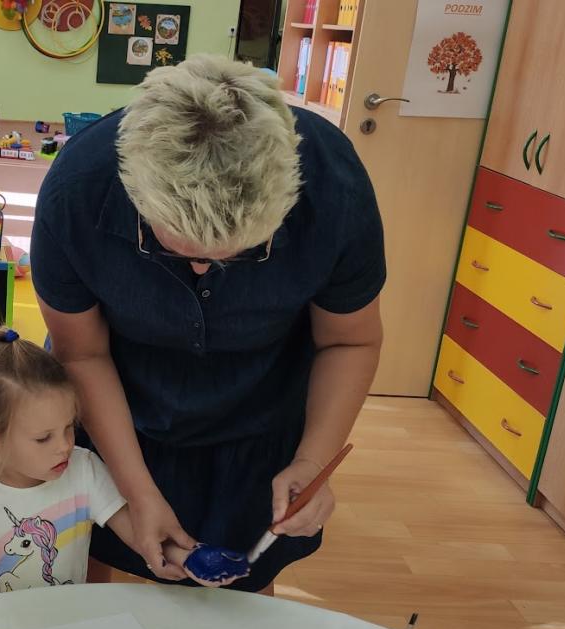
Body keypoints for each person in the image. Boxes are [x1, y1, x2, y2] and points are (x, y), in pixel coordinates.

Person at [30, 55, 385, 594]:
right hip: (118, 405)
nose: (201, 271)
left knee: (243, 593)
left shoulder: (335, 189)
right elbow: (82, 353)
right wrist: (136, 493)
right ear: (136, 198)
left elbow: (349, 340)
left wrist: (313, 460)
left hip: (261, 418)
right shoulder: (76, 191)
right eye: (176, 251)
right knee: (94, 576)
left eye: (239, 254)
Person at [0, 328, 237, 614]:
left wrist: (182, 557)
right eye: (44, 437)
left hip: (64, 628)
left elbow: (139, 532)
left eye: (69, 427)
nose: (65, 446)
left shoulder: (84, 470)